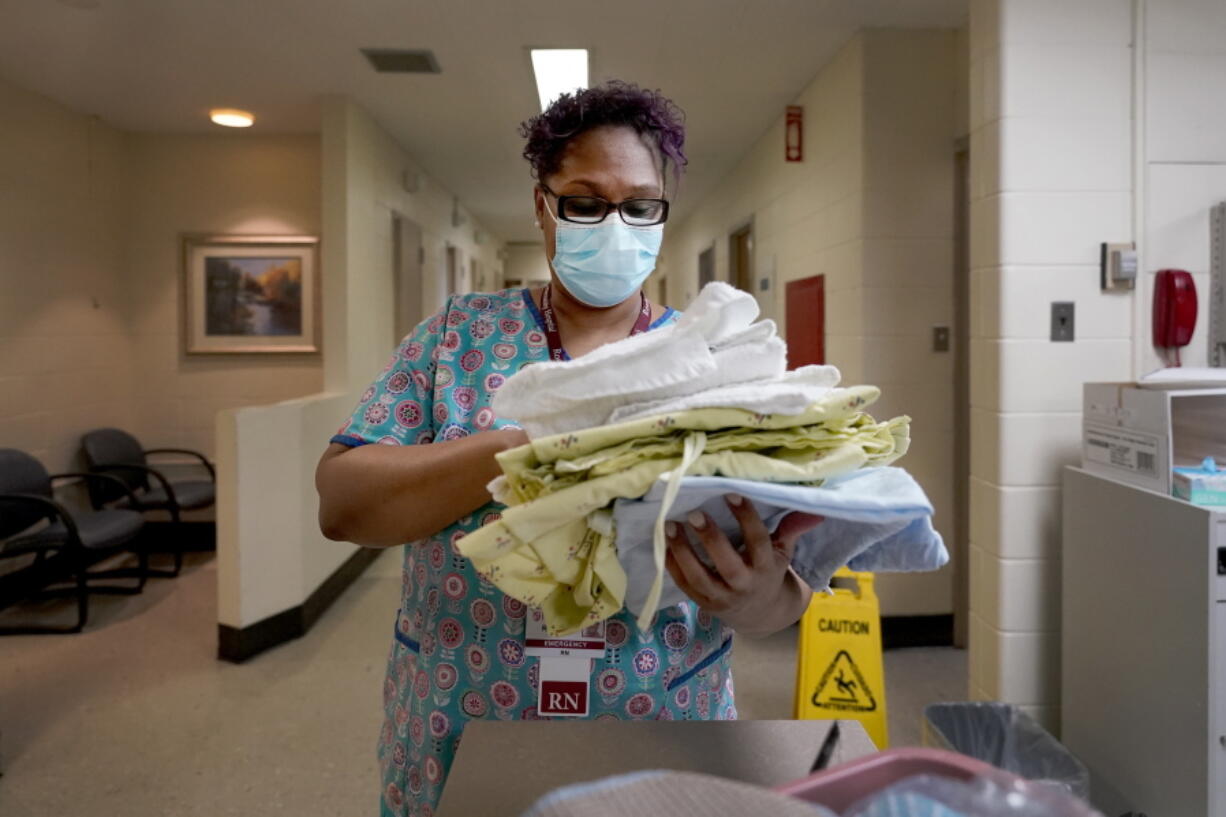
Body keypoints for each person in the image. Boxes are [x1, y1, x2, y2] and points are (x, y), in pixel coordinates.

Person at [315, 80, 822, 817]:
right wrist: (539, 449)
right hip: (464, 724)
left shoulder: (718, 359)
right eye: (584, 201)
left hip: (661, 729)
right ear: (541, 205)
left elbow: (785, 600)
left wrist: (757, 598)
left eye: (640, 204)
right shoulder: (457, 336)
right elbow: (343, 502)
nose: (614, 225)